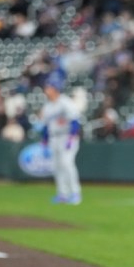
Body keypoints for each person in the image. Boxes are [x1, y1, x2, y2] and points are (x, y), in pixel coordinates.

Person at [40, 72, 82, 205]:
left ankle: (75, 193)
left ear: (55, 88)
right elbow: (46, 127)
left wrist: (71, 138)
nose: (47, 90)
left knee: (67, 164)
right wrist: (45, 141)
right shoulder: (47, 106)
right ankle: (62, 194)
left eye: (49, 87)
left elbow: (75, 121)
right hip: (54, 138)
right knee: (57, 166)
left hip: (67, 136)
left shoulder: (65, 102)